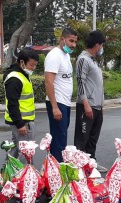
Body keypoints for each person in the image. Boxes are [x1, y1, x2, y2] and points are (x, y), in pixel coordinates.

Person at [74, 30, 108, 172]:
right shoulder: (83, 59)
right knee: (82, 139)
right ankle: (79, 167)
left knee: (93, 138)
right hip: (86, 106)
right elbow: (80, 82)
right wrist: (86, 104)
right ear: (97, 45)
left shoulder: (93, 61)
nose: (102, 48)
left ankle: (91, 164)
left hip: (97, 106)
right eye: (102, 45)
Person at [44, 28, 78, 162]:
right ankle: (56, 169)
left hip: (65, 102)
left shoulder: (66, 55)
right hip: (57, 103)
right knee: (59, 138)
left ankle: (55, 167)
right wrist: (54, 107)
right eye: (70, 41)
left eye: (75, 42)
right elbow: (48, 82)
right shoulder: (54, 56)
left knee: (62, 137)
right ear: (62, 39)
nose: (73, 44)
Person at [3, 49, 39, 163]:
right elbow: (12, 104)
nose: (33, 68)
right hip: (22, 122)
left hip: (20, 121)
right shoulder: (15, 79)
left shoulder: (21, 75)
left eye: (35, 65)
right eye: (31, 65)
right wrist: (20, 124)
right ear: (22, 62)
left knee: (15, 149)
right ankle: (27, 177)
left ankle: (5, 174)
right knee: (26, 152)